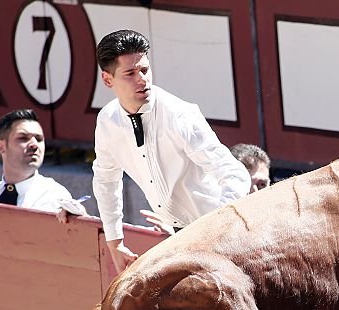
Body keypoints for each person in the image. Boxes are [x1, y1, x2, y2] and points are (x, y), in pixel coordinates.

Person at [90, 29, 250, 273]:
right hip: (174, 239)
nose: (142, 79)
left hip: (222, 237)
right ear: (107, 79)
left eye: (144, 70)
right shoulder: (108, 121)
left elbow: (234, 174)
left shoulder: (179, 115)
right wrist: (115, 242)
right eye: (130, 73)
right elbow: (106, 181)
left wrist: (216, 229)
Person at [0, 109, 72, 212]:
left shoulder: (56, 198)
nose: (34, 145)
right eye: (23, 138)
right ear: (1, 146)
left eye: (39, 139)